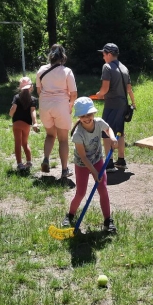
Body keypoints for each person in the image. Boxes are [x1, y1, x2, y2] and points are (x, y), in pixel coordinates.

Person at [62, 97, 119, 232]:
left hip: (98, 159)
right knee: (80, 193)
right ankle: (70, 215)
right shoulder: (78, 135)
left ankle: (108, 221)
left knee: (103, 189)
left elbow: (108, 129)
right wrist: (94, 172)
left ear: (93, 113)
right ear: (79, 117)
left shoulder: (98, 122)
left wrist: (111, 138)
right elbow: (83, 156)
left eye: (89, 114)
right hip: (82, 164)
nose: (87, 118)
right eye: (83, 116)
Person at [35, 44, 77, 178]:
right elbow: (74, 94)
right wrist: (70, 106)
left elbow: (38, 90)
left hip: (45, 106)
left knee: (50, 135)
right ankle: (64, 170)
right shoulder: (67, 71)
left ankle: (46, 158)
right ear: (63, 56)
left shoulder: (41, 70)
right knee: (63, 139)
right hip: (61, 106)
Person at [94, 43, 136, 173]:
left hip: (111, 104)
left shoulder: (107, 67)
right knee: (119, 132)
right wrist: (133, 103)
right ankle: (121, 160)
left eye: (104, 54)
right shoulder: (124, 68)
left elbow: (105, 88)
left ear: (110, 54)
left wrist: (98, 94)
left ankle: (109, 163)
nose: (103, 57)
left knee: (106, 132)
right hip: (123, 103)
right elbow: (129, 89)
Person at [9, 77, 39, 171]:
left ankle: (19, 164)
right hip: (26, 124)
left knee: (17, 143)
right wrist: (35, 123)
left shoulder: (16, 97)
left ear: (20, 87)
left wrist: (10, 114)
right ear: (31, 87)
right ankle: (29, 161)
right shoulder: (33, 99)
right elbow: (33, 112)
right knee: (25, 143)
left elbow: (13, 108)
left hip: (17, 123)